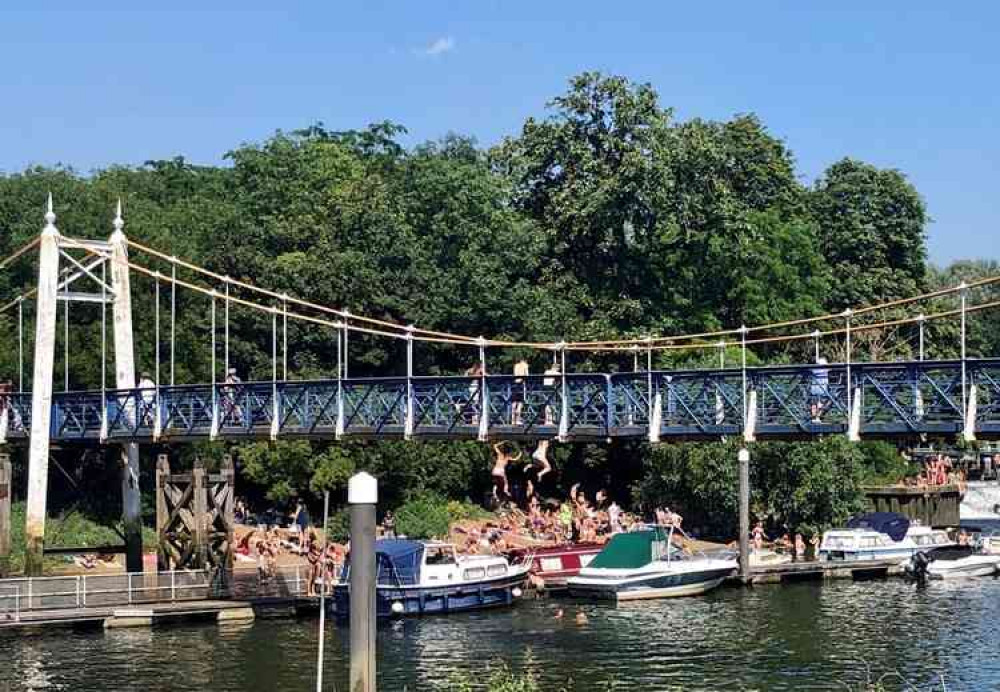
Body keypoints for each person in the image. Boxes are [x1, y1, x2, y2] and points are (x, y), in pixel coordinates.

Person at [810, 357, 830, 422]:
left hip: (814, 389)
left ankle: (813, 418)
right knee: (820, 403)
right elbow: (830, 369)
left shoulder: (814, 369)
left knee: (813, 404)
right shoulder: (825, 369)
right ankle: (817, 417)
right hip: (822, 389)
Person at [511, 357, 529, 425]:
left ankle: (512, 420)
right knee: (520, 403)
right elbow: (527, 375)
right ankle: (518, 419)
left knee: (514, 402)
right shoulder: (525, 365)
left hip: (515, 383)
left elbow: (515, 374)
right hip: (521, 384)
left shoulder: (516, 365)